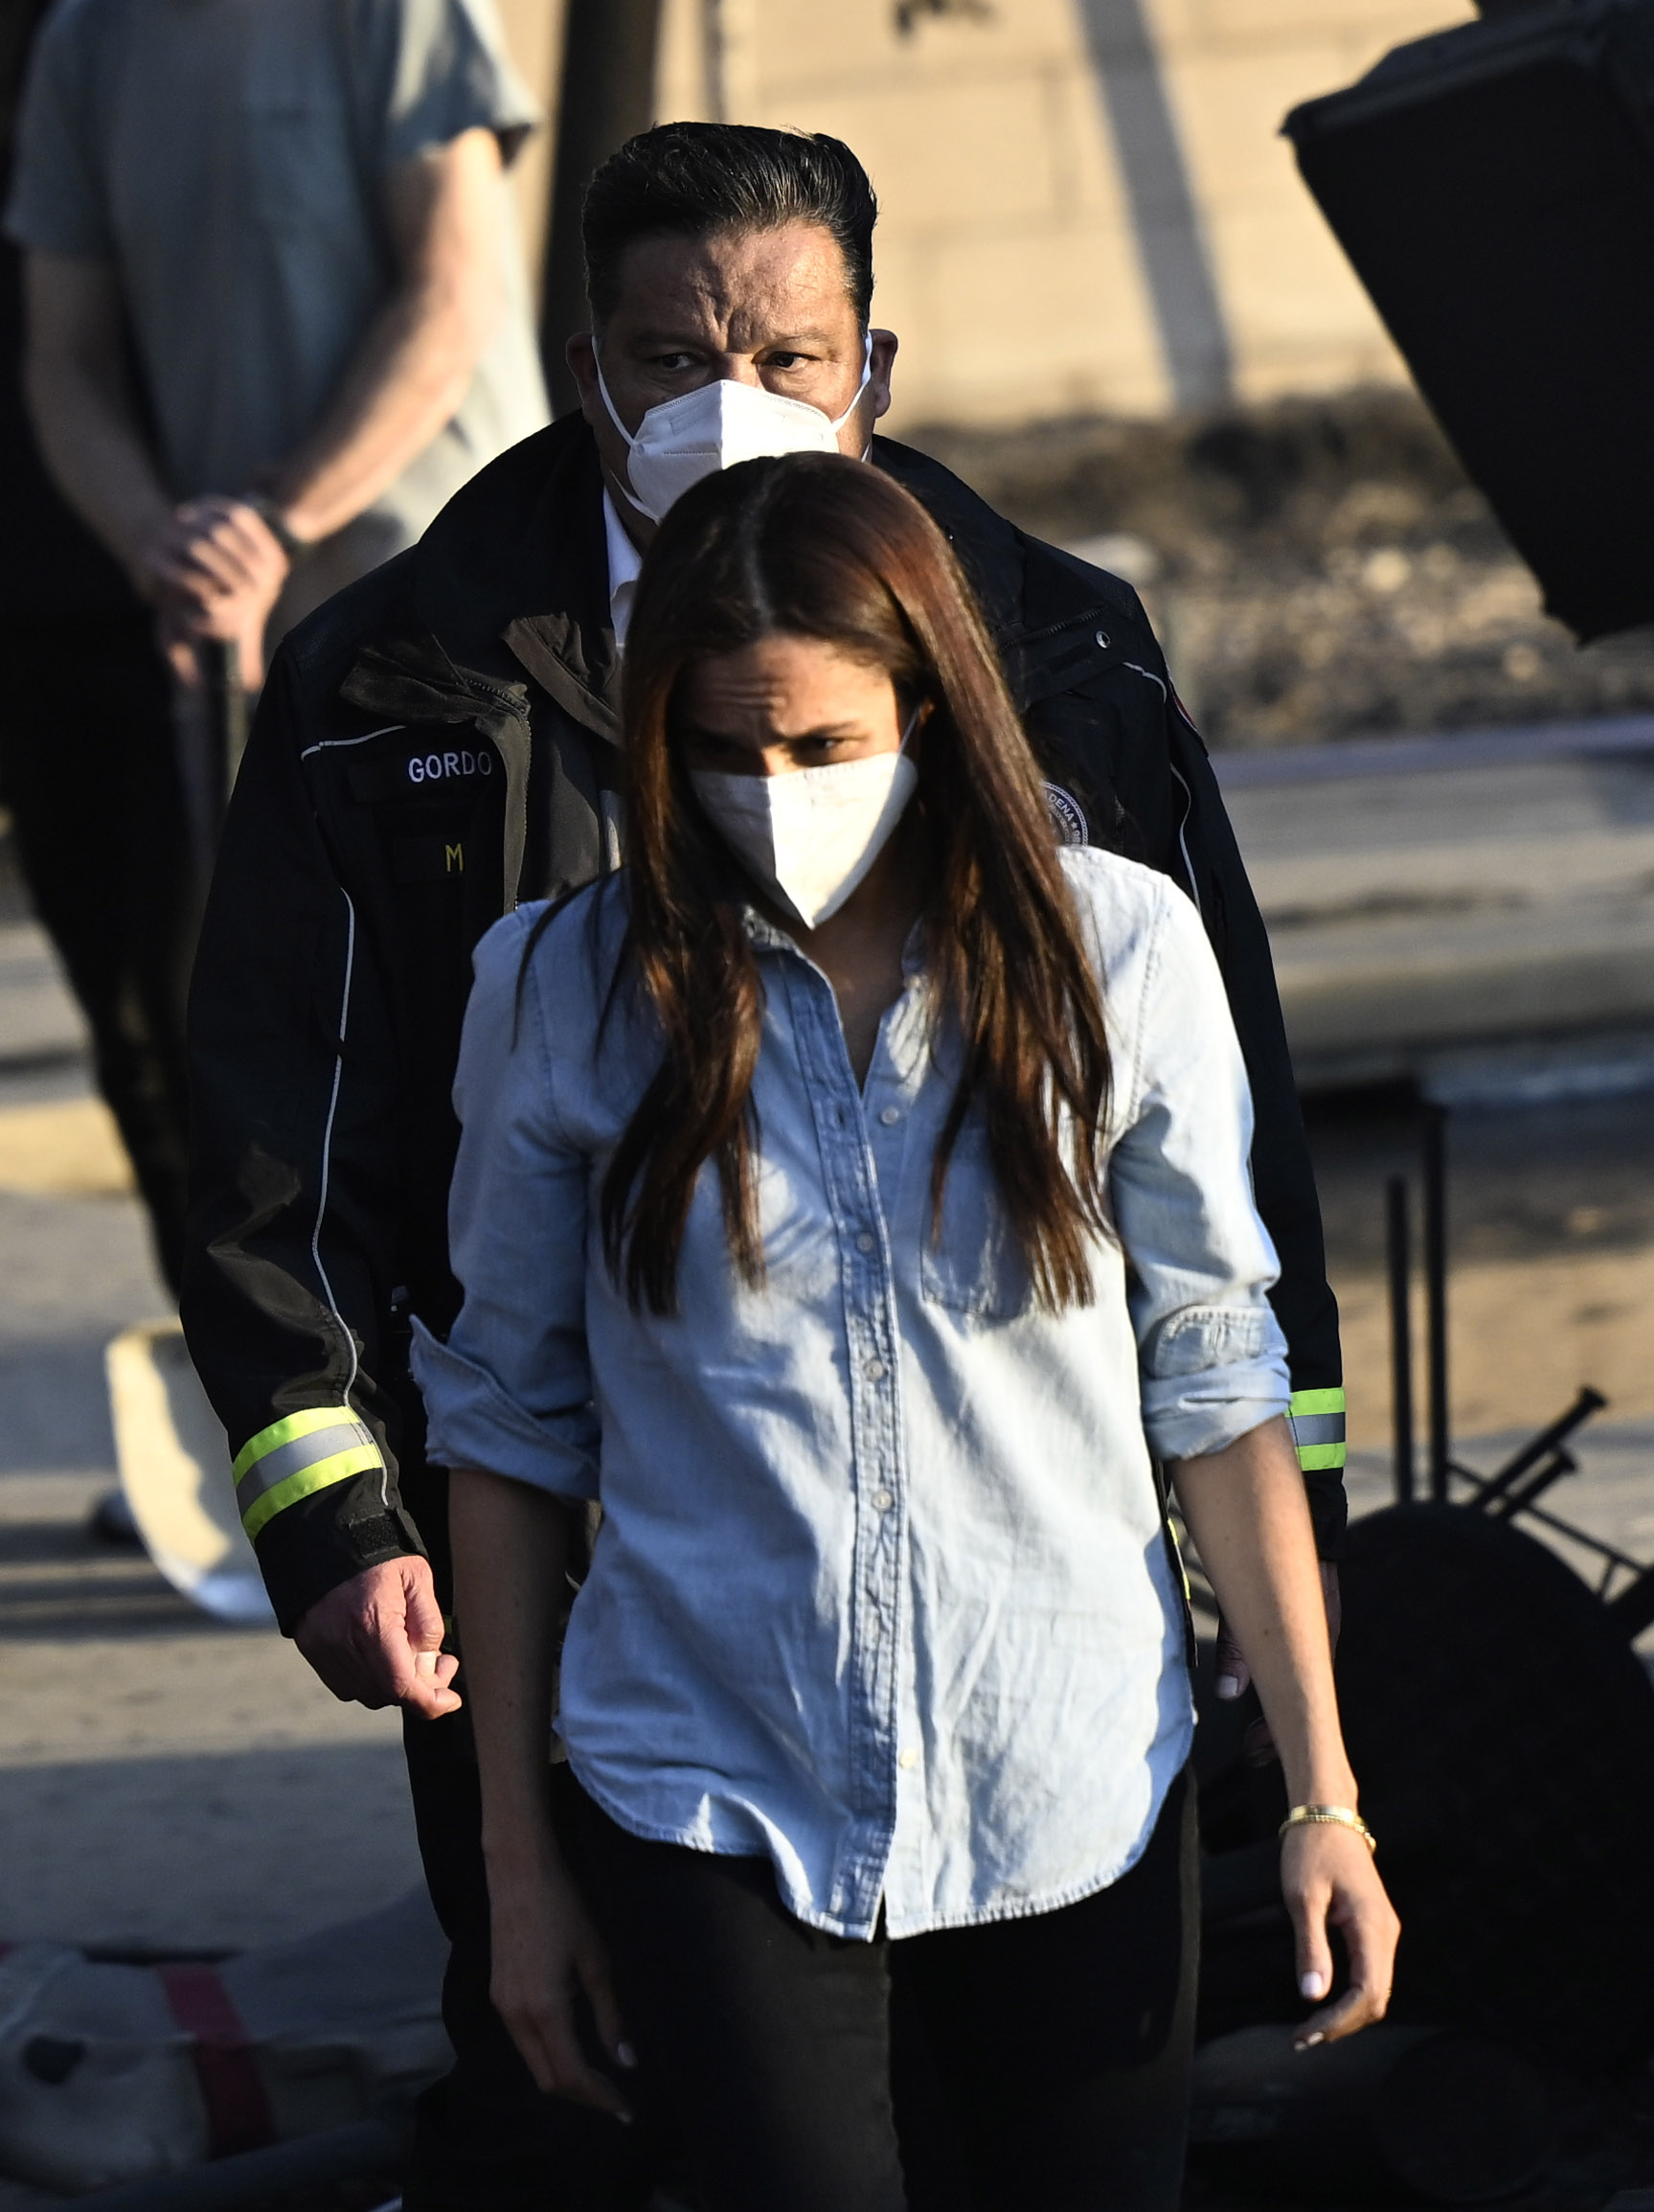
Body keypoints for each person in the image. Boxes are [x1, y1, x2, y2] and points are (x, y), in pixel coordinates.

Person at [179, 125, 1348, 2208]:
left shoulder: (1059, 656)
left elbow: (1217, 1247)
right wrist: (340, 1512)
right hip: (592, 1626)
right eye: (672, 351)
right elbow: (282, 1140)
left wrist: (1294, 1610)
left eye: (789, 353)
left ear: (869, 367)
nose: (736, 406)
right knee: (573, 2117)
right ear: (581, 363)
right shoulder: (398, 689)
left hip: (1042, 1689)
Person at [420, 451, 1399, 2212]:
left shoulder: (1120, 956)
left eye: (821, 744)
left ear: (933, 710)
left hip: (1077, 1783)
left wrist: (1325, 1790)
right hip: (710, 1795)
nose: (771, 790)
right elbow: (503, 1428)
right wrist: (518, 1865)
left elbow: (1217, 1372)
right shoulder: (558, 990)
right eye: (721, 750)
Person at [5, 0, 549, 695]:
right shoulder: (82, 37)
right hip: (245, 627)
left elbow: (454, 297)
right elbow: (66, 361)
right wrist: (159, 544)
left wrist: (275, 526)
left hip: (450, 598)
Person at [0, 0, 192, 1292]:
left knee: (200, 1028)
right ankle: (248, 1402)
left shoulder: (126, 39)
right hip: (28, 612)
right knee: (128, 1037)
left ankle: (296, 1408)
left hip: (178, 593)